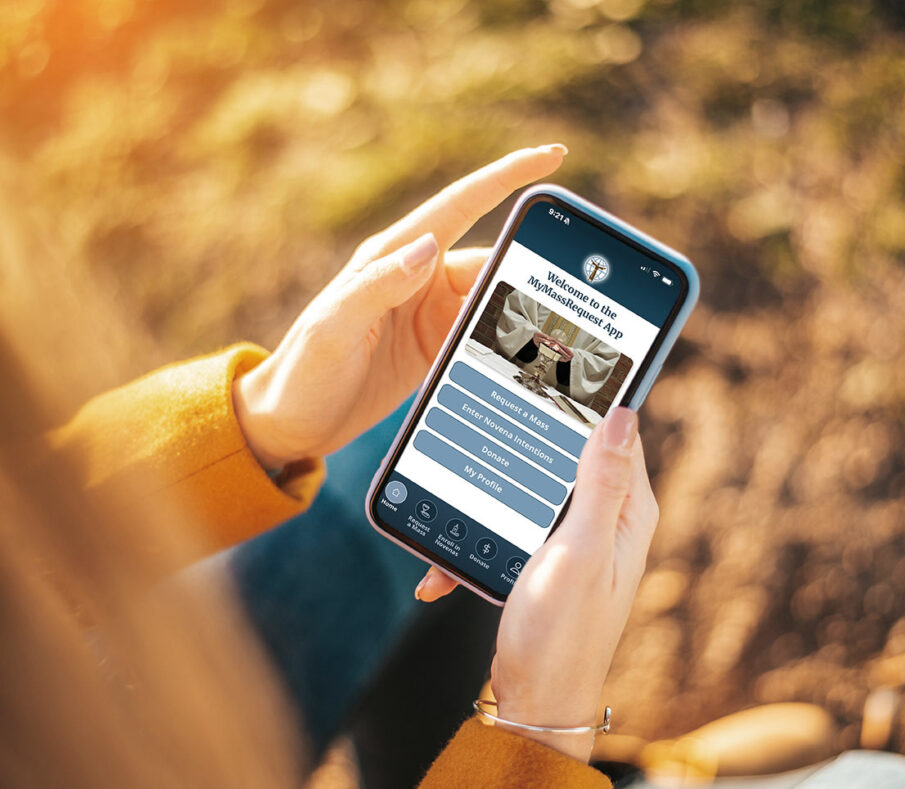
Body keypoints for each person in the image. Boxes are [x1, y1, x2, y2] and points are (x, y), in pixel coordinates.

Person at [0, 146, 659, 788]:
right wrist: (538, 733)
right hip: (104, 739)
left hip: (61, 683)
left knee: (405, 448)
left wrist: (257, 421)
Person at [496, 289, 620, 406]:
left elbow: (605, 359)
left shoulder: (614, 306)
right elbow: (514, 310)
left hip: (555, 398)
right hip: (517, 373)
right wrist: (528, 338)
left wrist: (573, 361)